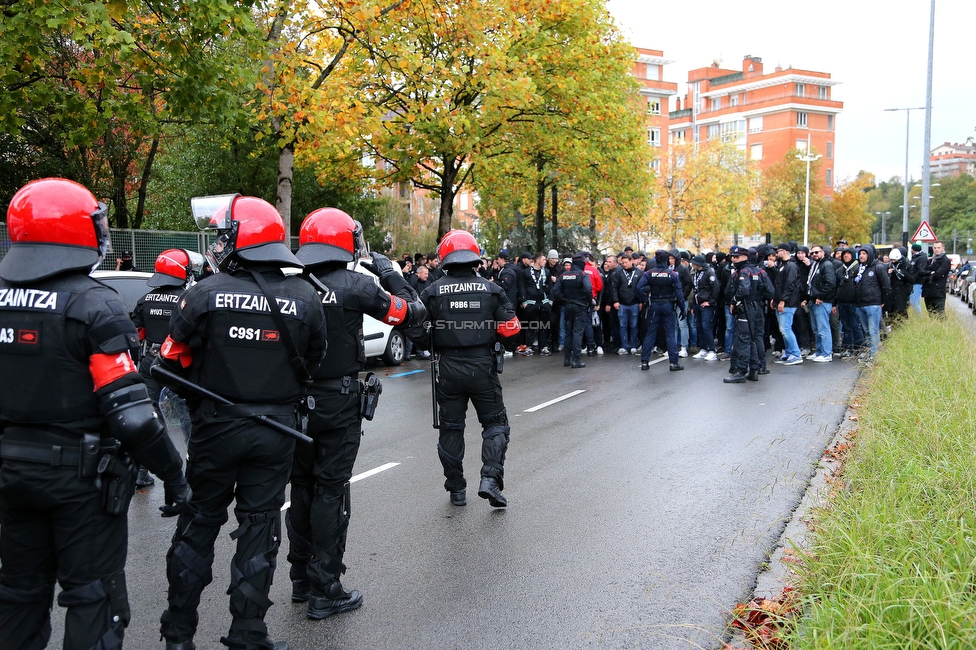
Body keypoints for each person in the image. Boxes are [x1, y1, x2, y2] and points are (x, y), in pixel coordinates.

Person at [0, 178, 189, 650]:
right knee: (94, 601)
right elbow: (133, 417)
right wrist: (174, 473)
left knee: (18, 596)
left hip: (11, 475)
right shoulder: (93, 304)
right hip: (81, 483)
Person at [156, 194, 326, 650]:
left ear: (241, 239)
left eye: (225, 234)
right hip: (277, 431)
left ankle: (178, 635)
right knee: (259, 527)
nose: (219, 242)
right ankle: (248, 633)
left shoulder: (203, 293)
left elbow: (171, 361)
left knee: (198, 524)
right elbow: (316, 359)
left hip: (216, 427)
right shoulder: (306, 297)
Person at [288, 208, 426, 620]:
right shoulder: (357, 285)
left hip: (294, 402)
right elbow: (413, 316)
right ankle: (325, 587)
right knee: (331, 490)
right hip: (338, 401)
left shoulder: (288, 284)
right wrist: (394, 276)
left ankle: (299, 579)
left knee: (301, 487)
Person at [419, 230, 521, 508]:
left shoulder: (432, 290)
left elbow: (416, 330)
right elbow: (512, 328)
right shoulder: (491, 289)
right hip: (483, 367)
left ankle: (456, 490)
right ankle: (489, 479)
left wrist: (437, 334)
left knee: (451, 429)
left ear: (445, 258)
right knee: (496, 424)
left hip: (448, 368)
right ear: (475, 257)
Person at [130, 249, 198, 487]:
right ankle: (192, 473)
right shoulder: (188, 299)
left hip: (150, 363)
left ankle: (140, 473)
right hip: (179, 365)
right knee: (187, 416)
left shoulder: (145, 299)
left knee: (148, 418)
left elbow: (136, 334)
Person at [723, 246, 773, 383]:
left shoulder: (744, 272)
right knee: (756, 339)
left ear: (745, 257)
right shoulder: (760, 271)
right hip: (758, 308)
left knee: (744, 339)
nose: (733, 259)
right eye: (732, 257)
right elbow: (770, 291)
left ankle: (741, 371)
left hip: (747, 308)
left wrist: (734, 301)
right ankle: (756, 368)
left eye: (736, 257)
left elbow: (742, 290)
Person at [636, 249, 685, 372]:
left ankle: (645, 362)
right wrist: (682, 307)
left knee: (651, 333)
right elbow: (679, 292)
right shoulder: (672, 274)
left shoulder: (649, 273)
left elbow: (639, 287)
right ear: (666, 259)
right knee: (670, 334)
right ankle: (673, 363)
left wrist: (645, 300)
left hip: (654, 305)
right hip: (668, 305)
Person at [552, 253, 592, 369]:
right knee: (578, 332)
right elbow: (588, 288)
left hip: (568, 306)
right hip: (580, 306)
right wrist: (589, 301)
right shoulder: (583, 274)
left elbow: (555, 290)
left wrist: (564, 299)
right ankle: (576, 360)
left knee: (569, 332)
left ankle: (566, 359)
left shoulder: (564, 275)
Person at [853, 244, 890, 360]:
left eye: (864, 254)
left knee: (873, 330)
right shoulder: (858, 268)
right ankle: (869, 351)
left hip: (873, 303)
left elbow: (886, 286)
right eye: (860, 254)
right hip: (860, 304)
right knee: (866, 331)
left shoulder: (878, 267)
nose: (861, 256)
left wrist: (882, 300)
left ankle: (875, 355)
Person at [772, 244, 803, 365]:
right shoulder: (782, 265)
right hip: (781, 301)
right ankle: (789, 352)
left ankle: (796, 353)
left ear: (784, 251)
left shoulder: (791, 266)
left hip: (788, 303)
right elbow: (779, 285)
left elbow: (789, 285)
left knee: (786, 329)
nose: (776, 254)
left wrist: (783, 300)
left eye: (778, 251)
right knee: (783, 329)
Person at [805, 245, 837, 363]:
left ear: (823, 252)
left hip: (822, 301)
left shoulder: (826, 265)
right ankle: (819, 351)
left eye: (817, 252)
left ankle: (827, 353)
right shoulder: (815, 264)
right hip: (814, 299)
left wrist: (821, 296)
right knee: (816, 329)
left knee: (823, 328)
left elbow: (830, 283)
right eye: (812, 253)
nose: (814, 254)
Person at [519, 253, 553, 355]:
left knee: (544, 325)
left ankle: (543, 347)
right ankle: (529, 346)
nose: (545, 261)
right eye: (543, 260)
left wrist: (550, 301)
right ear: (537, 260)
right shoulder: (526, 272)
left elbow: (550, 287)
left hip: (544, 302)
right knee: (531, 325)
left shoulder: (546, 272)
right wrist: (524, 301)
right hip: (531, 303)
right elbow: (522, 287)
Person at [689, 254, 720, 361]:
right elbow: (696, 289)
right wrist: (693, 305)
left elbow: (716, 288)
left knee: (706, 326)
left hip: (706, 304)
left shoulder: (709, 272)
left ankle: (712, 350)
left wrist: (710, 302)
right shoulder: (696, 272)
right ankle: (703, 349)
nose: (692, 264)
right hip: (698, 303)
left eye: (694, 263)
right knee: (699, 326)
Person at [609, 252, 641, 355]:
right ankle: (623, 346)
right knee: (622, 325)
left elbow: (642, 287)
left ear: (631, 261)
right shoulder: (618, 273)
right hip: (622, 303)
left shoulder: (639, 272)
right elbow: (613, 288)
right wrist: (615, 301)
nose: (624, 265)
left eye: (626, 262)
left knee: (634, 325)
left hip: (634, 303)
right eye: (622, 263)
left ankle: (633, 346)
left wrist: (641, 301)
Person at [920, 240, 950, 316]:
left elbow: (938, 274)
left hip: (938, 291)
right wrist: (930, 273)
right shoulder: (930, 260)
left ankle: (942, 328)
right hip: (928, 291)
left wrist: (930, 274)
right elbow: (921, 272)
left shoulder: (945, 261)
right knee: (931, 314)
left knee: (940, 314)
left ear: (943, 248)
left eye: (938, 248)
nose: (936, 249)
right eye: (935, 248)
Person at [909, 242, 927, 312]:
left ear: (913, 249)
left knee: (914, 302)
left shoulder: (921, 258)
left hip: (917, 282)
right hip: (914, 282)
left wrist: (913, 278)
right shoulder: (915, 257)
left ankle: (918, 317)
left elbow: (920, 270)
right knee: (913, 301)